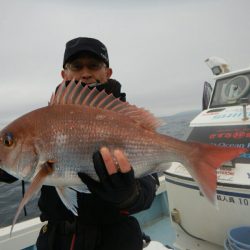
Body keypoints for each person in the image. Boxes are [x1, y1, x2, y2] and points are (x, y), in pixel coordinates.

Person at [0, 37, 158, 250]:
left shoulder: (129, 122)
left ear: (107, 72)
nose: (85, 73)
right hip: (57, 241)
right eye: (76, 66)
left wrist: (129, 194)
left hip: (116, 239)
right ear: (64, 74)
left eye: (94, 65)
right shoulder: (42, 123)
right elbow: (12, 166)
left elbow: (148, 191)